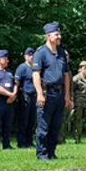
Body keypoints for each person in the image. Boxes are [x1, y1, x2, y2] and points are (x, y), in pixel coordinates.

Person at [33, 22, 72, 160]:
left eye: (59, 34)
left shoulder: (62, 52)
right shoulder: (40, 53)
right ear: (48, 36)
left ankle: (51, 152)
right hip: (46, 92)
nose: (59, 36)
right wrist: (39, 94)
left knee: (56, 126)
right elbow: (36, 74)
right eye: (56, 34)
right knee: (43, 126)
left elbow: (66, 74)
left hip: (60, 93)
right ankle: (42, 154)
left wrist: (67, 94)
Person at [14, 47, 36, 147]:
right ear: (25, 56)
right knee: (23, 121)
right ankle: (21, 142)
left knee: (32, 121)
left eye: (33, 55)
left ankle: (29, 141)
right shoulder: (22, 67)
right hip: (25, 97)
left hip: (34, 97)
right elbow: (17, 82)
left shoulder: (36, 67)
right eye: (30, 55)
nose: (32, 57)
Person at [71, 61, 86, 143]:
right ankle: (77, 138)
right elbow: (72, 91)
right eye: (84, 68)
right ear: (80, 69)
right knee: (78, 120)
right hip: (78, 102)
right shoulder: (76, 78)